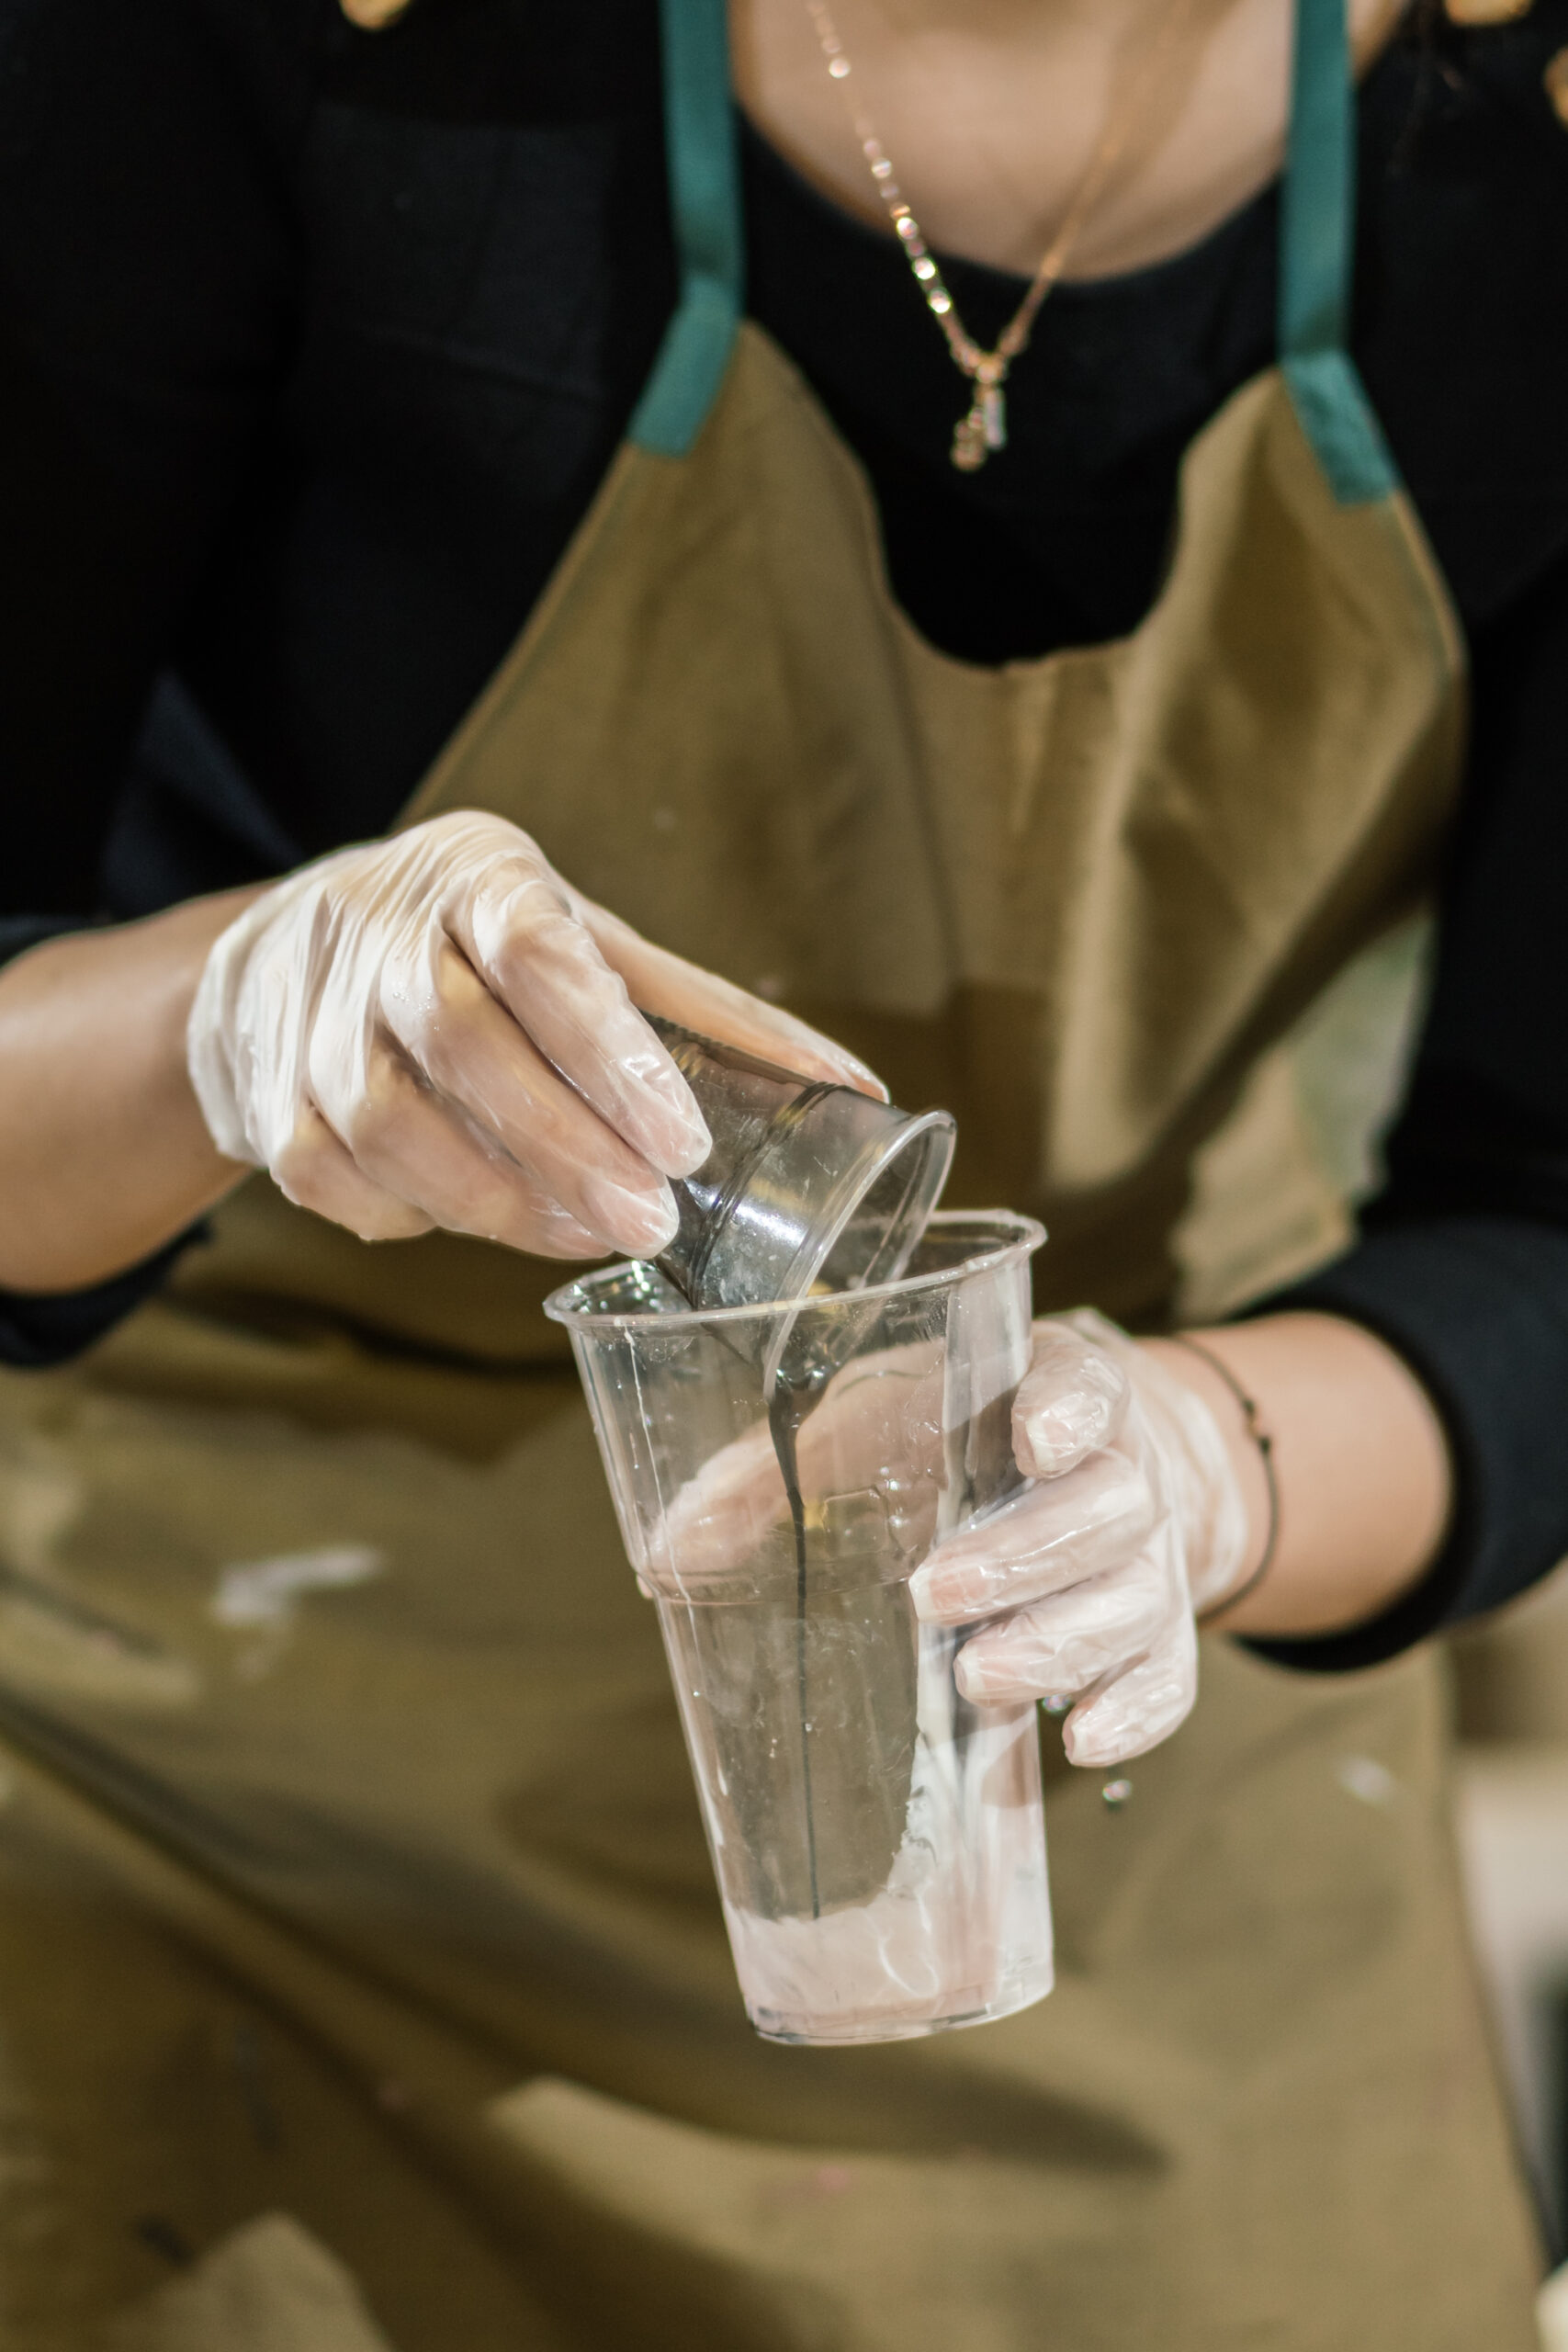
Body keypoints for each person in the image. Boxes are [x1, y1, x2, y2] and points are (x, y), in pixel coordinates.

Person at [0, 0, 1564, 2340]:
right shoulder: (264, 56)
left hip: (1087, 1746)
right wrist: (239, 1016)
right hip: (241, 1794)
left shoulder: (1519, 130)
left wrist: (1195, 1468)